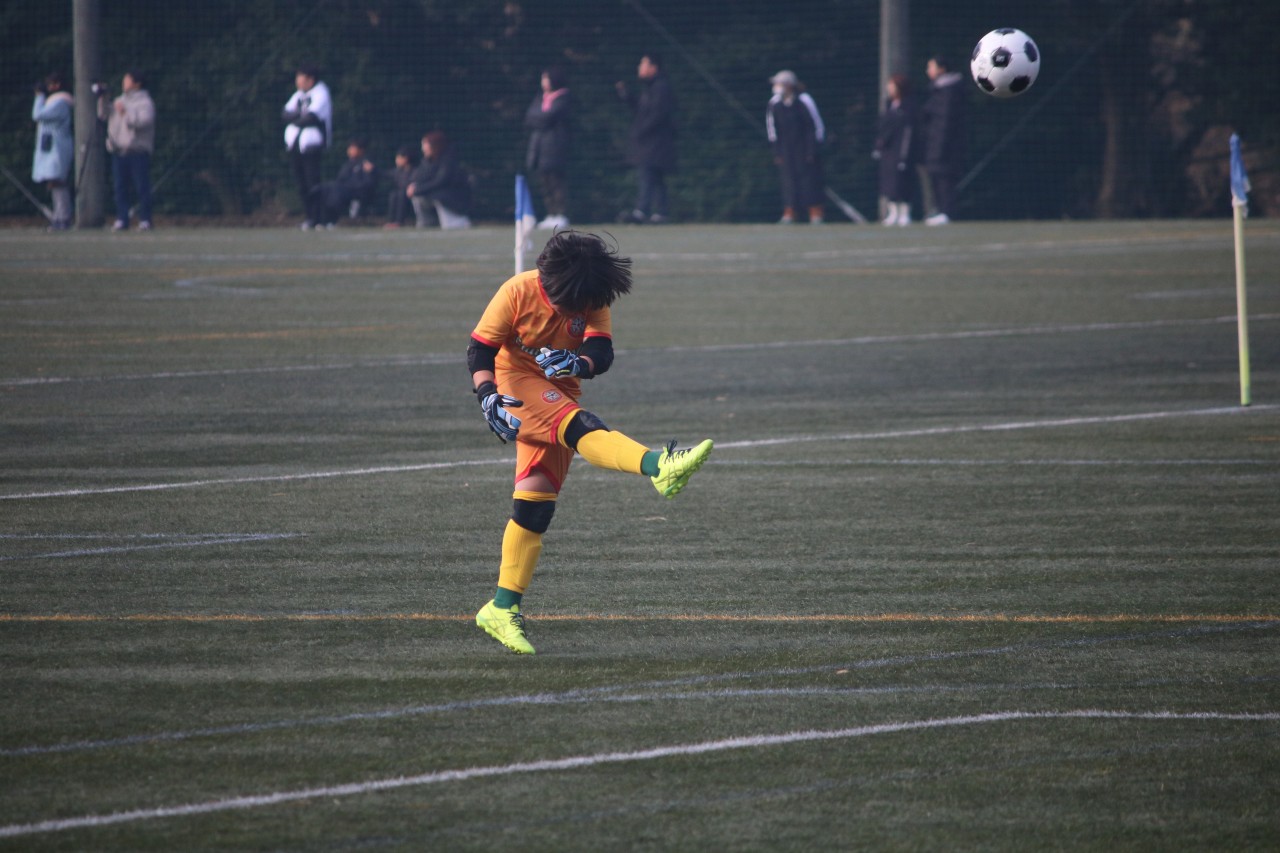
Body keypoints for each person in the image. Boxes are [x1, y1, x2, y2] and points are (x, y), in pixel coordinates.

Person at [467, 230, 714, 654]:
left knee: (535, 506)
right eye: (567, 303)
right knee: (579, 427)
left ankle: (501, 608)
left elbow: (601, 353)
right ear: (548, 282)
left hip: (560, 389)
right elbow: (479, 349)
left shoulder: (590, 293)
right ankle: (658, 465)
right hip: (515, 382)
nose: (575, 310)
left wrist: (577, 362)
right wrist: (487, 394)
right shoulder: (517, 291)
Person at [616, 53, 676, 224]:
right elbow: (643, 110)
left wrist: (641, 131)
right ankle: (661, 213)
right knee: (654, 176)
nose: (639, 67)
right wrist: (628, 97)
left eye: (643, 64)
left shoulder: (661, 88)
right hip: (651, 142)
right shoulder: (651, 87)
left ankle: (642, 211)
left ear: (653, 67)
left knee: (647, 174)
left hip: (655, 142)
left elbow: (657, 115)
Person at [97, 70, 156, 231]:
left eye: (127, 80)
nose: (124, 83)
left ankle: (145, 219)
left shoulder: (145, 103)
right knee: (120, 187)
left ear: (137, 84)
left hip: (138, 151)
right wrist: (103, 98)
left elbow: (143, 122)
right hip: (118, 151)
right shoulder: (119, 100)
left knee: (141, 187)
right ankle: (122, 219)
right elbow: (103, 115)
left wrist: (125, 112)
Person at [765, 69, 826, 225]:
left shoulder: (804, 100)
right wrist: (776, 151)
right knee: (788, 181)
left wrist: (813, 149)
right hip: (785, 149)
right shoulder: (774, 103)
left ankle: (815, 212)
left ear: (789, 85)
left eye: (779, 83)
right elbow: (772, 130)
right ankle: (790, 212)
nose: (776, 87)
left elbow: (815, 126)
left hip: (805, 148)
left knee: (810, 180)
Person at [282, 63, 332, 230]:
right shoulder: (298, 95)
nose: (297, 81)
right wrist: (299, 116)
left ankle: (321, 218)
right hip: (295, 146)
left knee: (313, 183)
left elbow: (312, 117)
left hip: (312, 146)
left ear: (310, 79)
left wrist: (296, 117)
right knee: (301, 184)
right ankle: (310, 217)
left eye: (300, 77)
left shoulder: (321, 93)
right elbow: (285, 114)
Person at [919, 55, 966, 225]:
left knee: (945, 178)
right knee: (935, 176)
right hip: (935, 142)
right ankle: (941, 210)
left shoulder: (949, 91)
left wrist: (940, 145)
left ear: (942, 69)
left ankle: (947, 212)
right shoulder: (938, 90)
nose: (928, 71)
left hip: (945, 144)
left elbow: (945, 121)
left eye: (931, 67)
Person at [524, 66, 572, 231]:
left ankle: (560, 214)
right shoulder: (540, 97)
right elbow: (530, 116)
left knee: (556, 182)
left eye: (546, 78)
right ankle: (551, 213)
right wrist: (541, 119)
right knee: (544, 183)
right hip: (540, 148)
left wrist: (541, 119)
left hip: (555, 147)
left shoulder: (564, 98)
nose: (543, 82)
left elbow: (548, 117)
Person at [31, 72, 74, 231]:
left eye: (51, 84)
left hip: (57, 148)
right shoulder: (54, 102)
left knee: (57, 181)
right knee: (53, 182)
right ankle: (59, 216)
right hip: (51, 148)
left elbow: (38, 115)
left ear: (57, 85)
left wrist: (39, 97)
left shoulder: (60, 102)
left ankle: (63, 217)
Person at [873, 74, 916, 226]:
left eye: (892, 86)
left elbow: (908, 131)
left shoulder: (908, 106)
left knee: (902, 182)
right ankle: (893, 213)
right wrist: (879, 145)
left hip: (901, 150)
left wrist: (905, 154)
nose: (889, 89)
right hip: (888, 151)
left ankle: (905, 213)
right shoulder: (889, 105)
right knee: (889, 182)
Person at [406, 131, 471, 230]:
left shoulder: (448, 161)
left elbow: (441, 181)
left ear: (434, 145)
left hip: (454, 197)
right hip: (437, 194)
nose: (423, 148)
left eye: (425, 144)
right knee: (418, 198)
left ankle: (455, 221)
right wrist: (414, 186)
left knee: (437, 196)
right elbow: (420, 177)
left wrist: (418, 189)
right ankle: (427, 223)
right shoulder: (428, 161)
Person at [315, 138, 376, 227]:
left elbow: (368, 183)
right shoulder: (348, 164)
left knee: (336, 192)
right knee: (325, 189)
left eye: (353, 148)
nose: (350, 151)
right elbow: (340, 179)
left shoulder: (366, 163)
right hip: (344, 189)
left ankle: (331, 220)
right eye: (349, 148)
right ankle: (319, 220)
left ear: (361, 150)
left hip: (357, 192)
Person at [383, 145, 419, 228]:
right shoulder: (398, 171)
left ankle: (399, 221)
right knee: (394, 194)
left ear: (406, 158)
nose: (397, 160)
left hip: (411, 195)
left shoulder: (415, 171)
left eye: (399, 158)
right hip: (400, 194)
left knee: (401, 194)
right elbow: (385, 174)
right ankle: (391, 221)